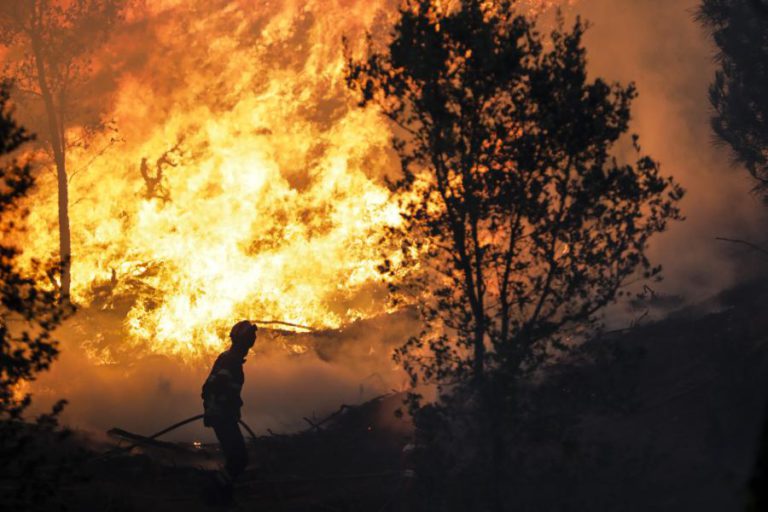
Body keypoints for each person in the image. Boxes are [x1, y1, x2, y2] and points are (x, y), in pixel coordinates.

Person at [201, 320, 258, 489]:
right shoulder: (230, 361)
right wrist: (216, 409)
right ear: (243, 340)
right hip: (223, 417)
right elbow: (211, 388)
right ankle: (214, 493)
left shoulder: (231, 359)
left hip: (225, 416)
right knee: (239, 460)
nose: (253, 339)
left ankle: (221, 493)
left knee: (237, 459)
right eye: (250, 336)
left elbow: (218, 389)